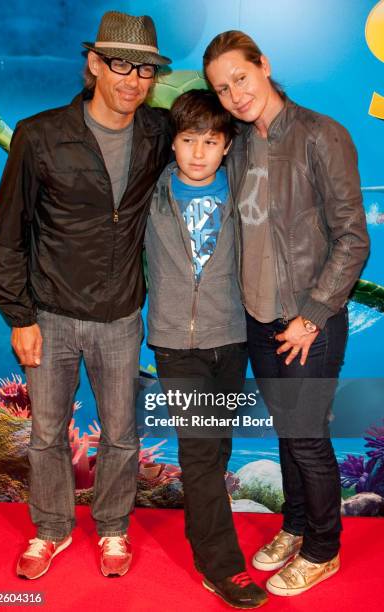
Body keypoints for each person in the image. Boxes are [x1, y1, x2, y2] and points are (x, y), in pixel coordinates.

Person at [0, 11, 172, 580]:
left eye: (144, 68)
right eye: (120, 64)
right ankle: (50, 530)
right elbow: (9, 233)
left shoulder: (159, 131)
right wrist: (19, 315)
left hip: (121, 315)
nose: (132, 79)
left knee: (121, 433)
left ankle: (113, 529)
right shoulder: (39, 134)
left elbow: (226, 132)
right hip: (50, 313)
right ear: (94, 64)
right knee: (46, 435)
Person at [203, 31, 369, 597]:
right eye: (222, 89)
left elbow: (352, 238)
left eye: (240, 79)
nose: (234, 95)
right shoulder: (242, 144)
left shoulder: (322, 134)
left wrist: (314, 314)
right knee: (287, 433)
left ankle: (324, 549)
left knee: (306, 435)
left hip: (308, 321)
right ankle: (296, 526)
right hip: (260, 317)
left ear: (264, 66)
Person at [145, 89, 268, 609]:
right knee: (198, 451)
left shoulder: (244, 190)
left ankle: (203, 536)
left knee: (216, 450)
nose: (198, 152)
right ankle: (223, 567)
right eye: (188, 139)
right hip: (177, 343)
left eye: (211, 141)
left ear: (226, 146)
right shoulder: (148, 194)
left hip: (232, 336)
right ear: (172, 143)